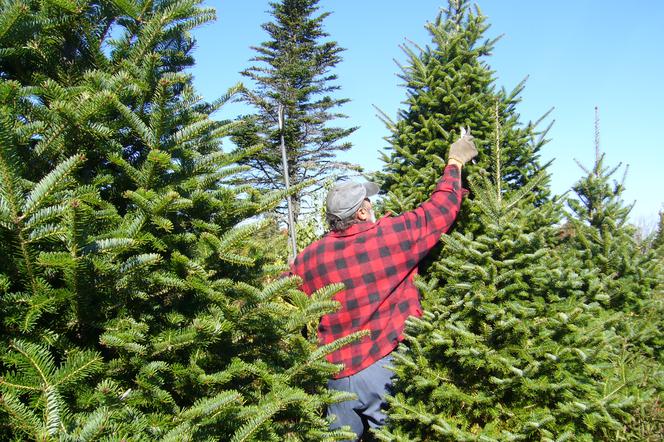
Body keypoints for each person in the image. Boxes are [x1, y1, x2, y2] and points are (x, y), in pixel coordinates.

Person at [289, 129, 478, 440]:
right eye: (368, 202)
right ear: (362, 212)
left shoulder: (313, 256)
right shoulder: (388, 237)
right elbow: (439, 210)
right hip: (382, 365)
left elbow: (280, 294)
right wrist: (455, 161)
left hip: (334, 375)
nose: (372, 206)